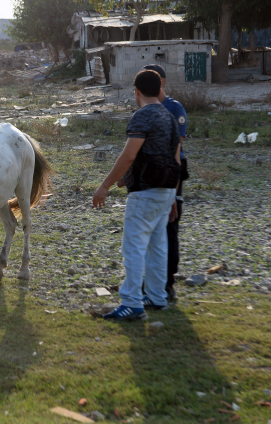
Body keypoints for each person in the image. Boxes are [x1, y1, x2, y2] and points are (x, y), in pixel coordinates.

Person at [92, 70, 181, 321]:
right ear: (159, 89)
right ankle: (156, 297)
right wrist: (173, 197)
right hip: (165, 191)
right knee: (157, 247)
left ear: (137, 92)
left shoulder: (142, 116)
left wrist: (105, 186)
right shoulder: (170, 117)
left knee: (133, 248)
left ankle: (132, 303)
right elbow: (176, 160)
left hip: (144, 192)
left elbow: (128, 156)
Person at [142, 64, 189, 302]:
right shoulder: (144, 107)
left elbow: (175, 151)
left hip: (170, 173)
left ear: (162, 82)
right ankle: (146, 282)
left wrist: (172, 187)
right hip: (148, 174)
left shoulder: (173, 108)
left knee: (169, 226)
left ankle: (168, 282)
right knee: (146, 228)